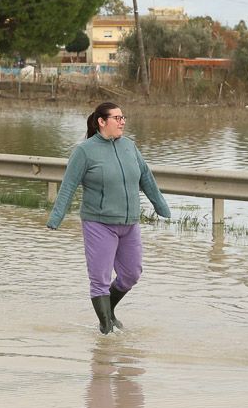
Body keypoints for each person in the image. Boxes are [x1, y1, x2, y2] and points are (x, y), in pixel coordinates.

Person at [47, 102, 173, 334]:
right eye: (116, 118)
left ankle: (109, 310)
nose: (122, 121)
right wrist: (56, 218)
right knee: (100, 279)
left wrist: (161, 206)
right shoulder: (84, 151)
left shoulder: (129, 146)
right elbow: (68, 186)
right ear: (101, 122)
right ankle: (106, 332)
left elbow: (146, 177)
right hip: (99, 223)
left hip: (130, 224)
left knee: (132, 274)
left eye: (123, 117)